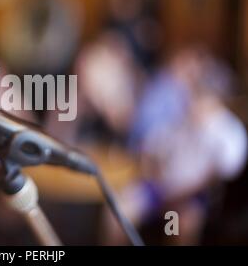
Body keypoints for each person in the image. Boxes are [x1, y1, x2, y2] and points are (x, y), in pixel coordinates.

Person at [104, 48, 247, 245]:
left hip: (190, 198)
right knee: (118, 209)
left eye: (202, 95)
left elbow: (226, 171)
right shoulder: (182, 117)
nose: (194, 101)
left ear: (217, 99)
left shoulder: (228, 131)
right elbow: (154, 146)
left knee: (182, 224)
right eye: (195, 93)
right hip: (158, 187)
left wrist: (184, 193)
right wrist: (150, 164)